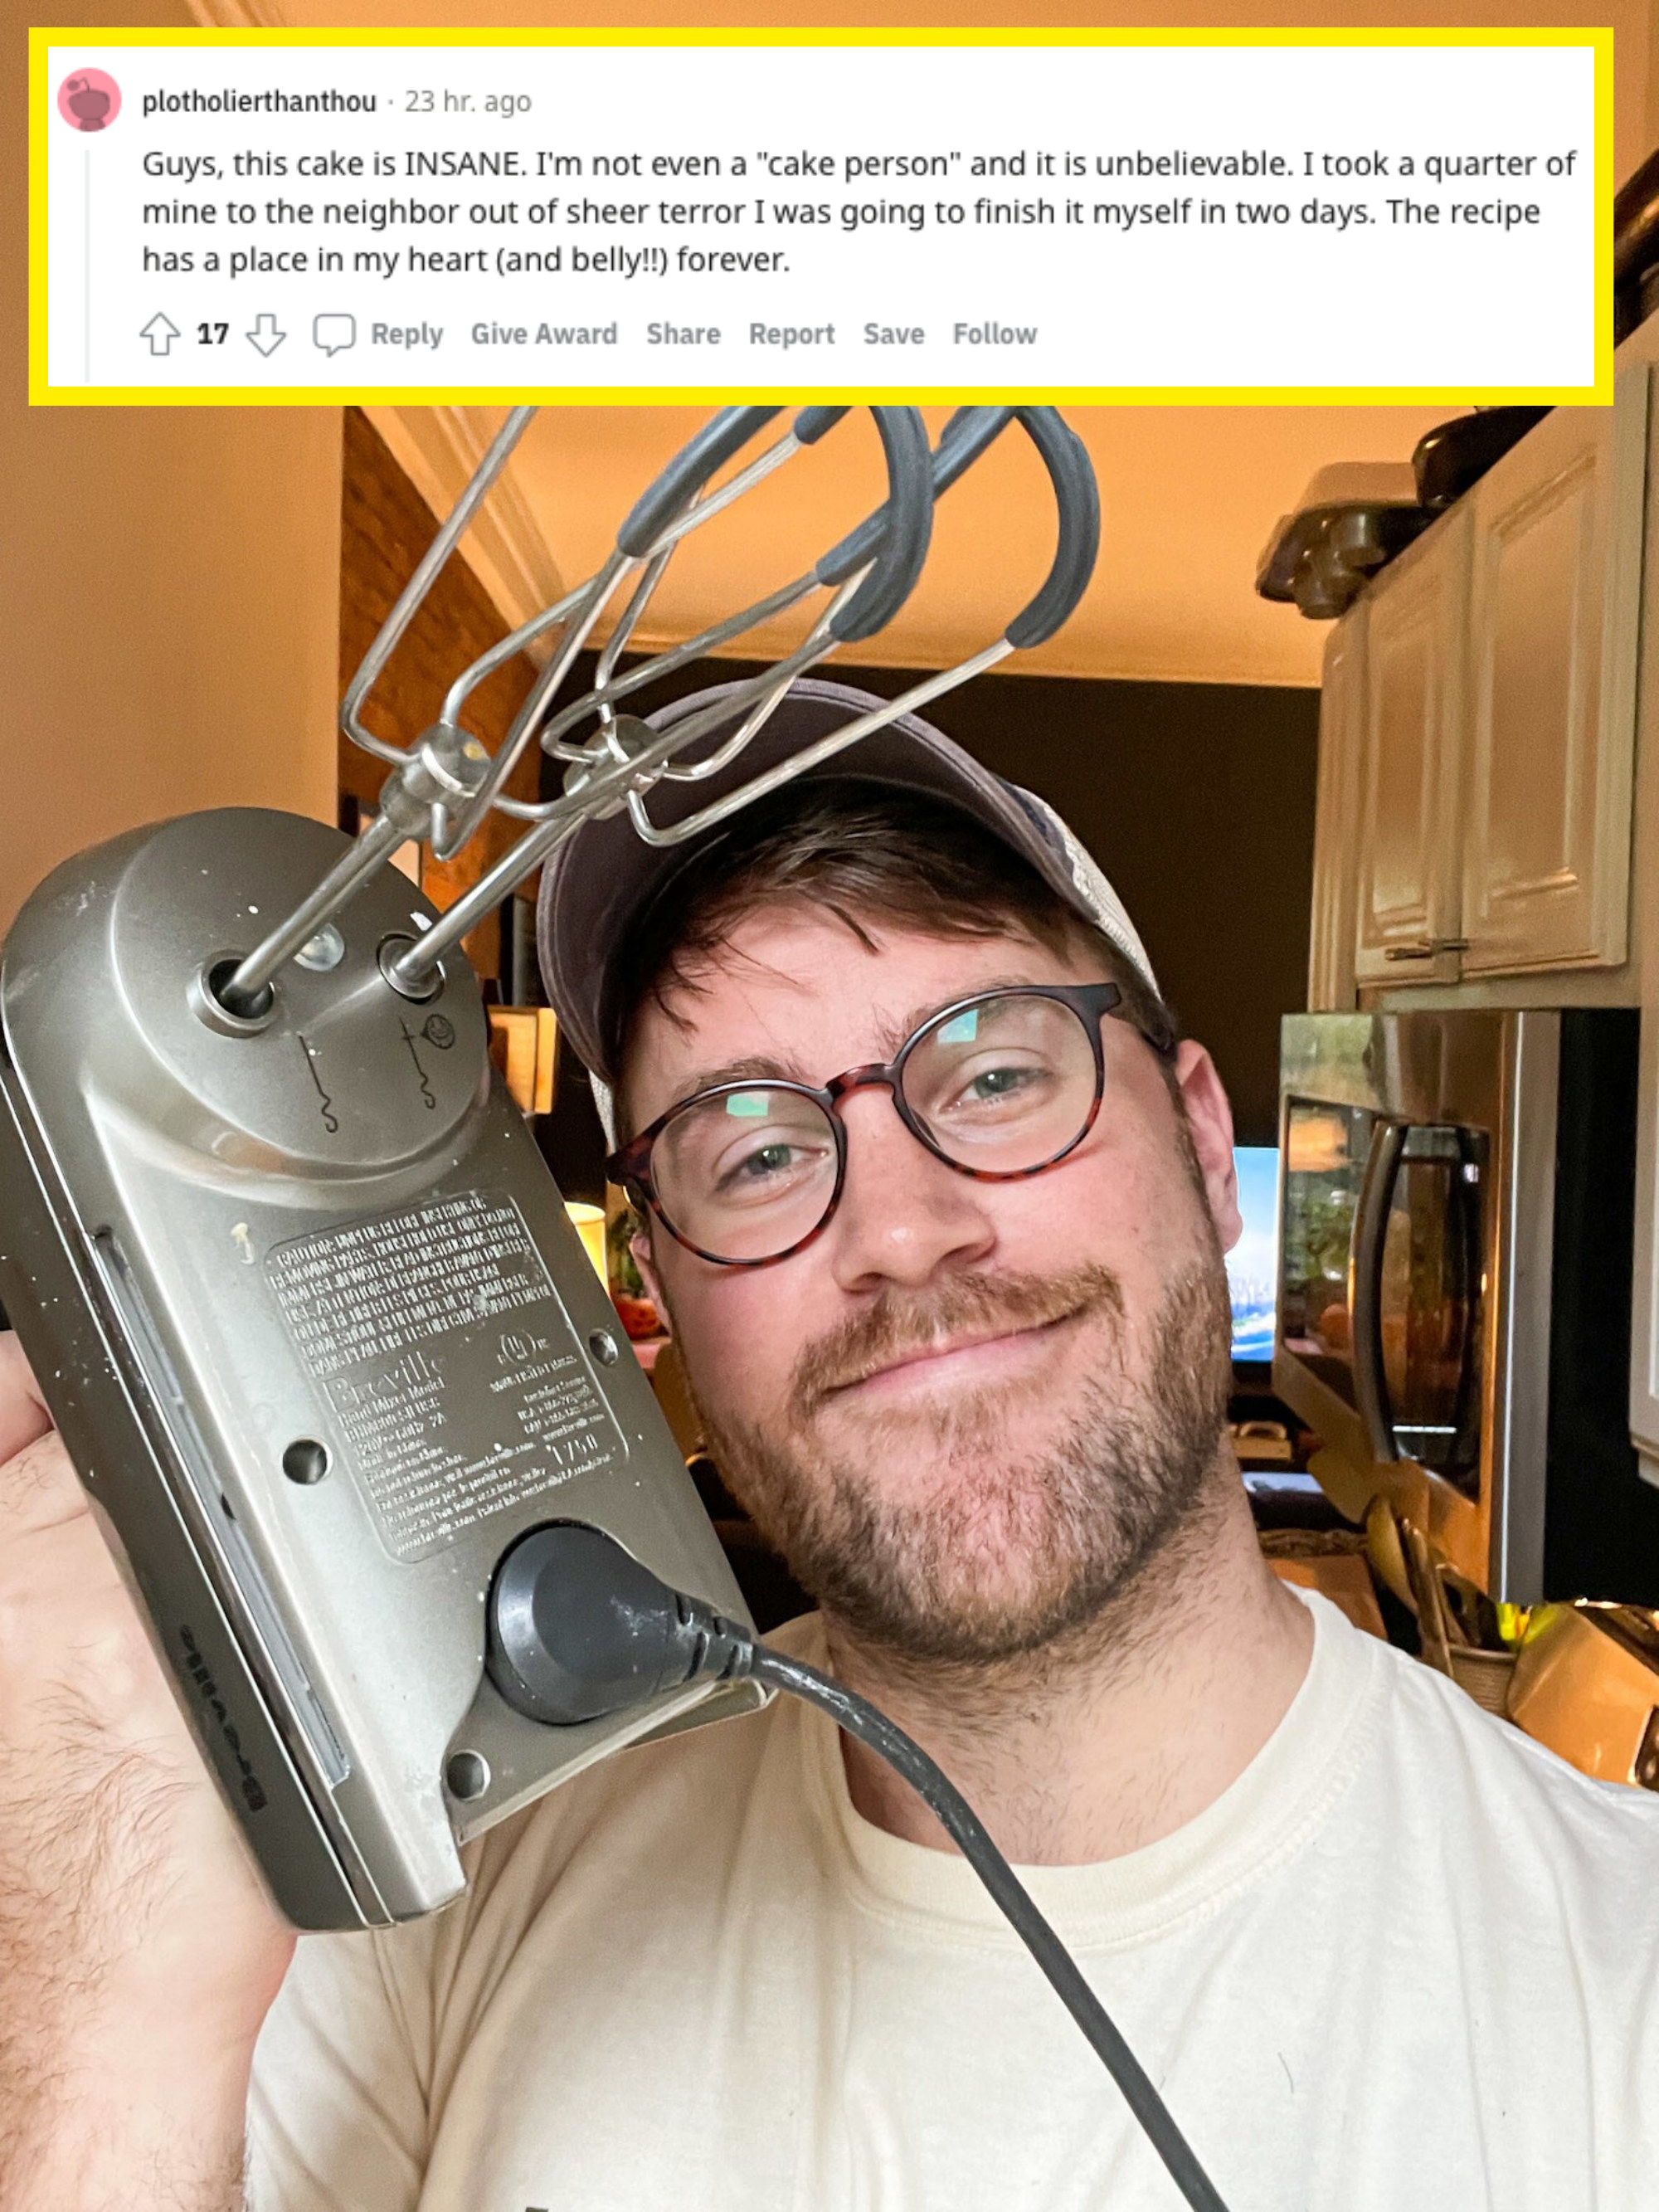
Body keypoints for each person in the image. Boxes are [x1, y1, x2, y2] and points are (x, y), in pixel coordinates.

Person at [2, 679, 1657, 2212]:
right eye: (753, 1151)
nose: (903, 1229)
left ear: (1205, 1138)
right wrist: (106, 1996)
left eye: (999, 1072)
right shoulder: (451, 1907)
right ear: (650, 1291)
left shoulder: (1616, 1984)